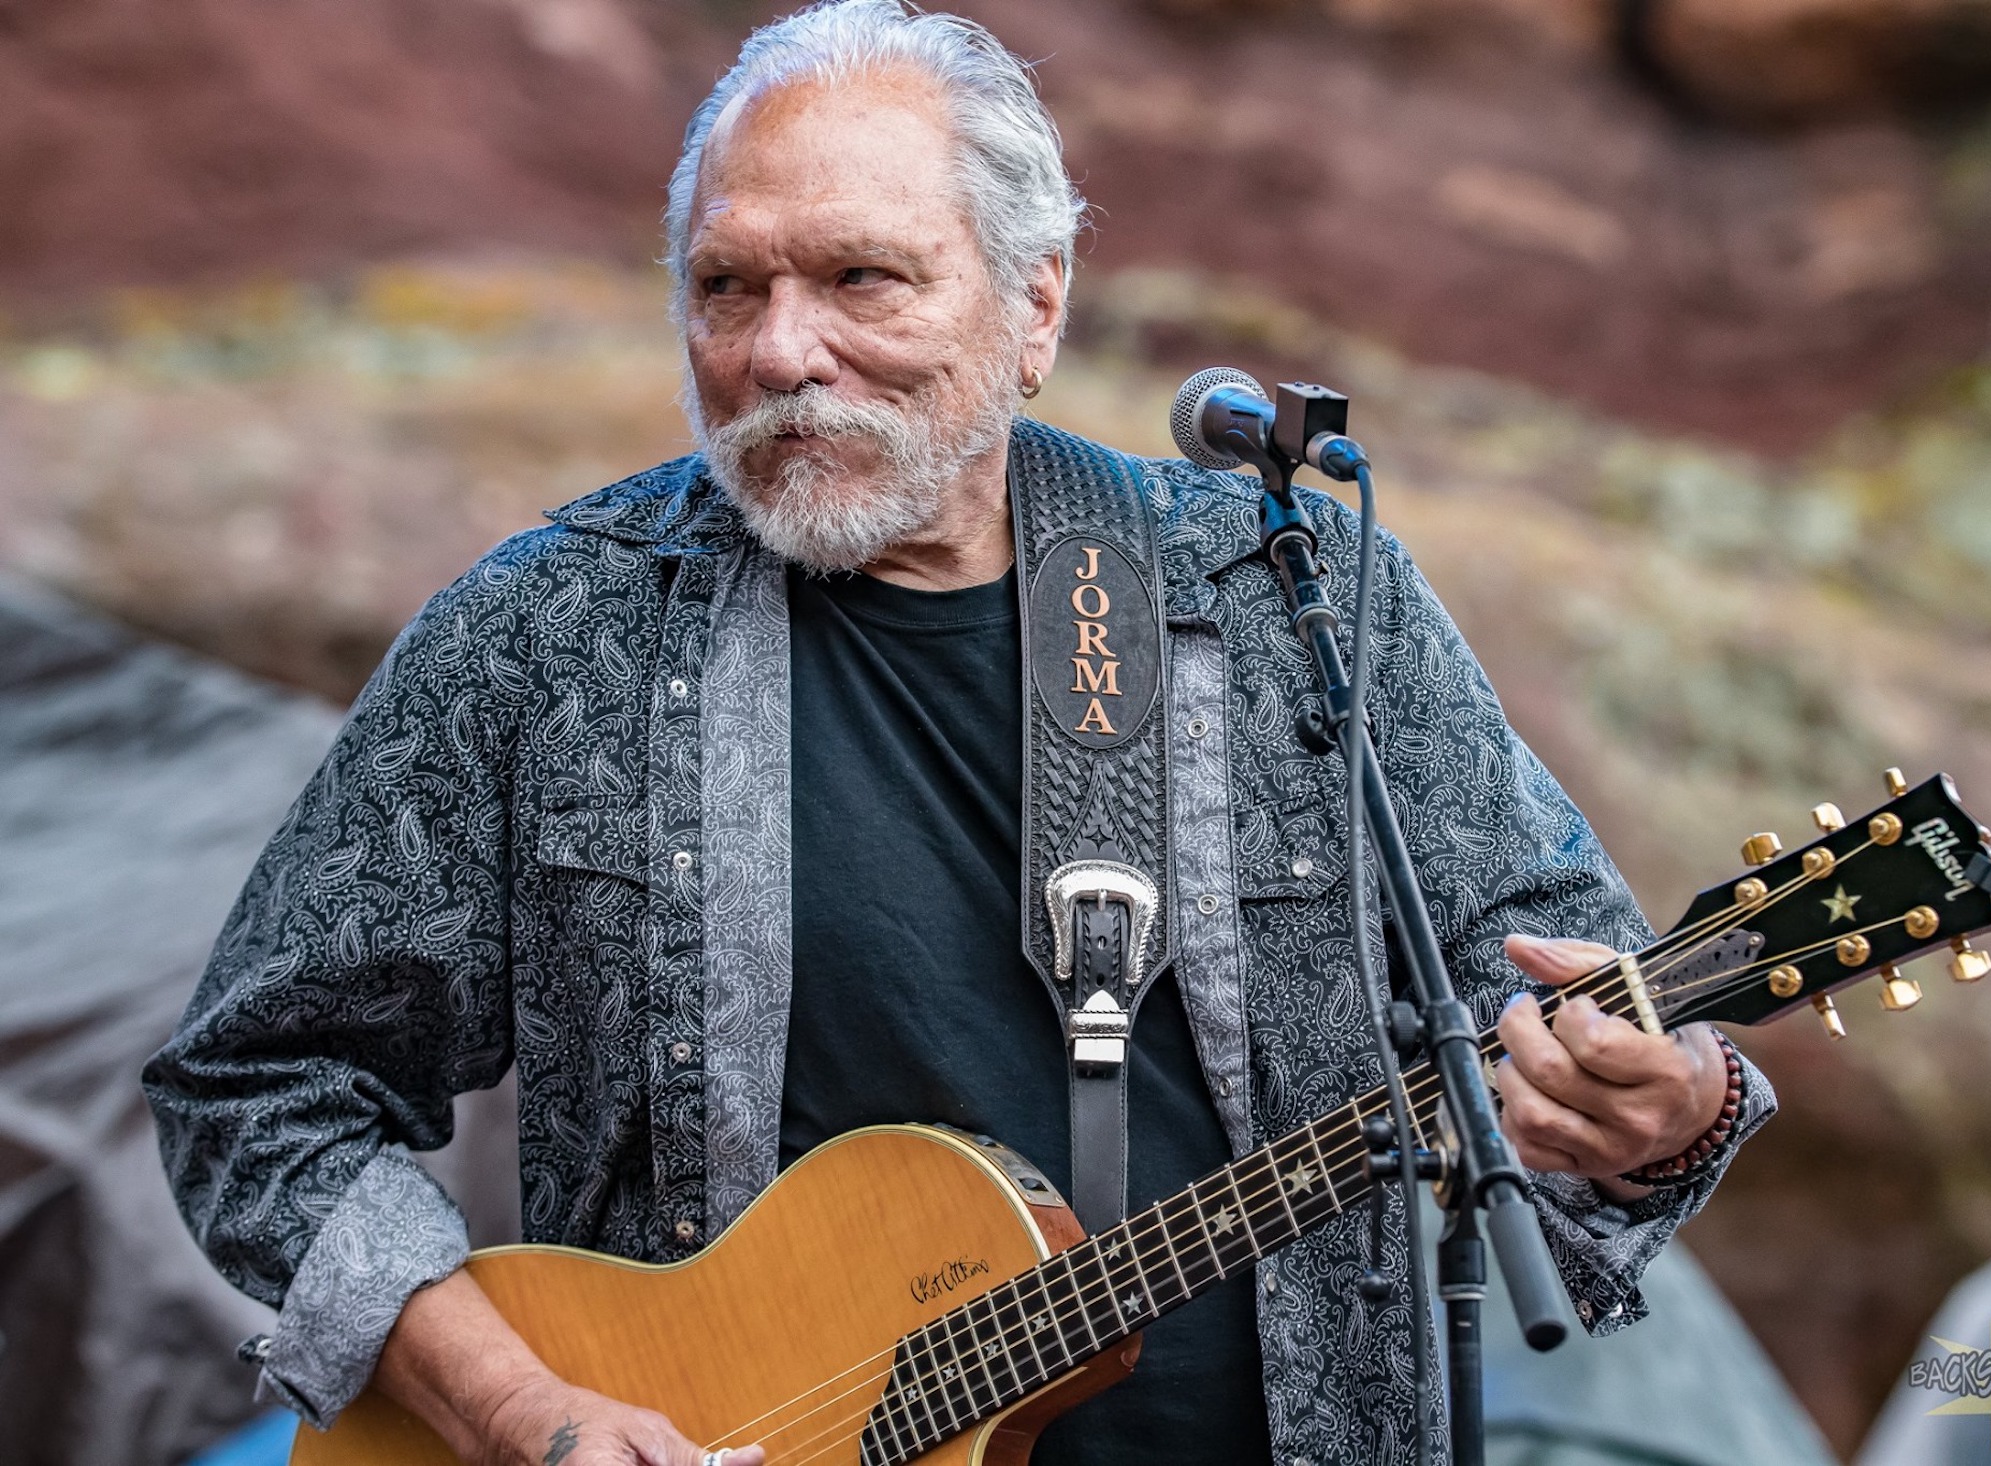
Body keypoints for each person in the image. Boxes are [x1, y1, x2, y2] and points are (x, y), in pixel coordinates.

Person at [144, 4, 1774, 1465]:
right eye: (729, 285)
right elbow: (258, 1086)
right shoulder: (552, 631)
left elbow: (1578, 1006)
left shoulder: (1297, 594)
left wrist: (1665, 1107)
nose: (783, 351)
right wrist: (525, 1412)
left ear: (1033, 304)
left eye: (861, 276)